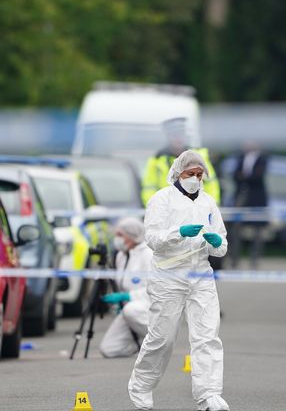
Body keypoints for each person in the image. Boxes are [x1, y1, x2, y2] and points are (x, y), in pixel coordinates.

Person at [129, 150, 229, 411]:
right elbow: (152, 239)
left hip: (201, 274)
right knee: (162, 338)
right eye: (190, 174)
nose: (195, 179)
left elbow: (222, 244)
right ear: (178, 173)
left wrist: (217, 244)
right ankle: (141, 386)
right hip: (168, 276)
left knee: (207, 336)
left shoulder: (208, 203)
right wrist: (178, 233)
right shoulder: (161, 200)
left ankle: (209, 395)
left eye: (199, 175)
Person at [141, 118, 224, 272]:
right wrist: (157, 209)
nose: (178, 138)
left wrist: (209, 208)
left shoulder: (199, 156)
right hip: (167, 212)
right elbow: (148, 187)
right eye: (174, 135)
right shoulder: (157, 158)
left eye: (180, 134)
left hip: (195, 208)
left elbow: (211, 183)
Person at [99, 217, 153, 358]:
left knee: (131, 310)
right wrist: (120, 302)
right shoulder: (121, 256)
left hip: (149, 308)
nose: (117, 239)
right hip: (131, 310)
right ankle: (142, 344)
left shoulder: (148, 254)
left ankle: (160, 341)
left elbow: (157, 288)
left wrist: (128, 297)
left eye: (120, 235)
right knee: (109, 349)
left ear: (132, 235)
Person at [229, 141, 269, 269]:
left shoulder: (263, 159)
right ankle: (234, 259)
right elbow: (235, 175)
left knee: (257, 231)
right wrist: (245, 177)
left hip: (256, 198)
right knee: (235, 228)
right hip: (241, 196)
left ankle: (254, 260)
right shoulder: (240, 158)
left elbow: (258, 177)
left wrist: (244, 177)